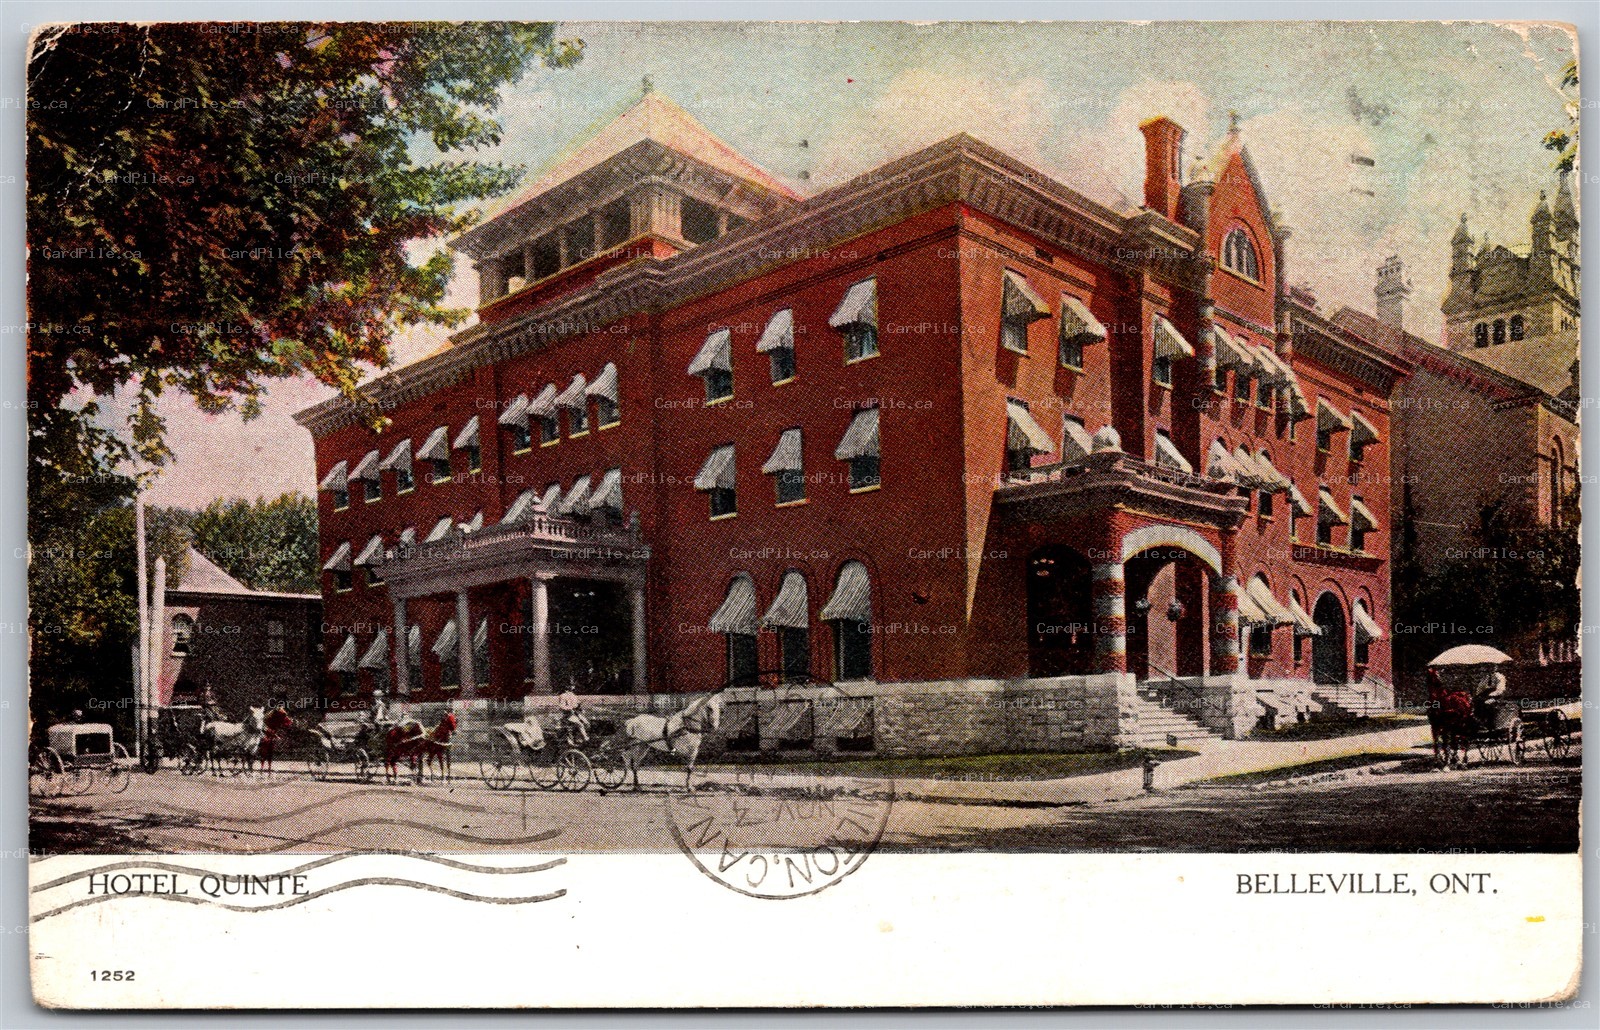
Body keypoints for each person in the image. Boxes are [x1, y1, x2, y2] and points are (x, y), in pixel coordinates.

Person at [557, 681, 587, 746]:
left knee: (586, 723)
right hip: (568, 715)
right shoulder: (563, 696)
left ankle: (579, 739)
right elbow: (562, 707)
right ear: (567, 687)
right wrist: (570, 708)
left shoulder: (574, 695)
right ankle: (585, 739)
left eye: (573, 685)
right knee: (579, 724)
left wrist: (579, 707)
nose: (573, 687)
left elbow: (577, 705)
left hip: (576, 714)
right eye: (571, 685)